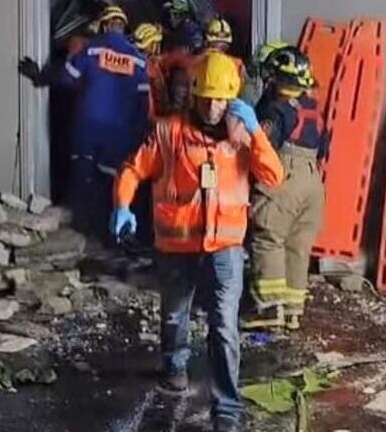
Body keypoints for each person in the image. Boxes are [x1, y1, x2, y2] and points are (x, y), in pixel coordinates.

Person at [109, 52, 284, 432]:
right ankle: (174, 368)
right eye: (206, 98)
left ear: (232, 98)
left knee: (224, 326)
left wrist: (255, 132)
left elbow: (273, 177)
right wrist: (122, 204)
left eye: (221, 100)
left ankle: (227, 409)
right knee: (175, 314)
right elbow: (133, 169)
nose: (213, 107)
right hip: (178, 246)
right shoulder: (168, 132)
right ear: (193, 94)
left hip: (225, 247)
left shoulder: (241, 135)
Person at [20, 4, 149, 239]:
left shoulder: (92, 50)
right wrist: (138, 135)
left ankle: (81, 235)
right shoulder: (139, 60)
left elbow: (66, 77)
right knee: (115, 182)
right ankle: (111, 236)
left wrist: (39, 76)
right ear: (122, 26)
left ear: (105, 25)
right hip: (120, 134)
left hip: (88, 128)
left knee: (83, 179)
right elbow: (144, 104)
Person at [242, 46, 327, 331]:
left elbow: (263, 146)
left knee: (268, 238)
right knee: (297, 245)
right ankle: (292, 311)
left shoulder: (273, 108)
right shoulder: (313, 108)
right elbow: (324, 148)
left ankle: (268, 309)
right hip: (313, 181)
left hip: (285, 175)